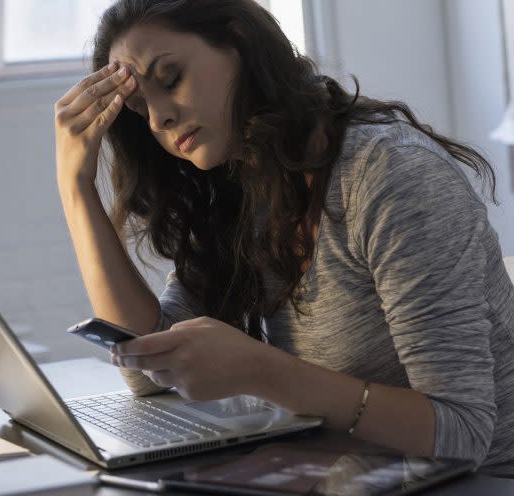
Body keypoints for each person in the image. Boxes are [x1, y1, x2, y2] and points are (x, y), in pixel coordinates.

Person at [53, 0, 514, 476]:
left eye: (170, 78)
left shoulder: (392, 177)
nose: (157, 120)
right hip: (354, 476)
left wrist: (263, 371)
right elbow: (147, 367)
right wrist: (76, 188)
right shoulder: (242, 184)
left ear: (241, 42)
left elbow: (463, 432)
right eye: (138, 107)